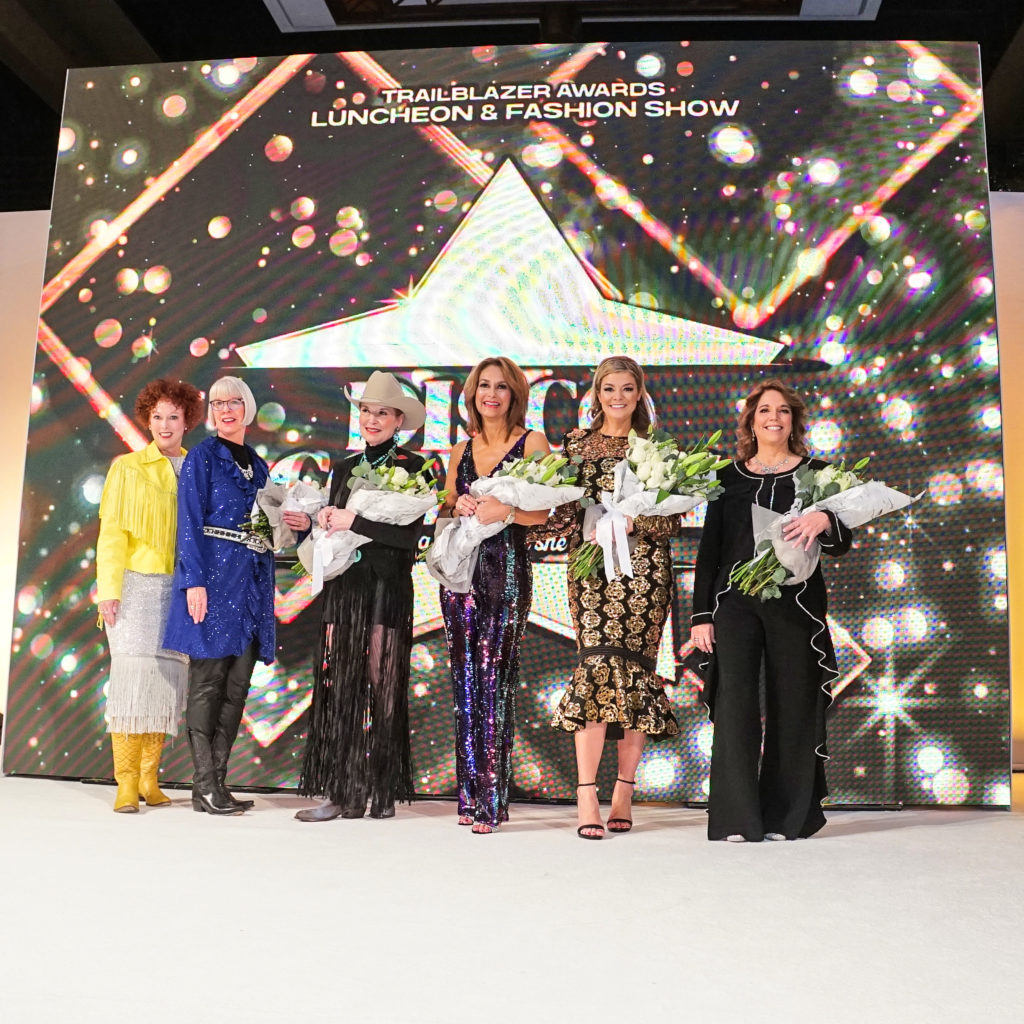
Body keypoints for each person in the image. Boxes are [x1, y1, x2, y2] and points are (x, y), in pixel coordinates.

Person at [690, 378, 852, 842]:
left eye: (782, 411)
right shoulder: (728, 477)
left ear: (794, 420)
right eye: (765, 410)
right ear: (751, 420)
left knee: (795, 704)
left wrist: (827, 518)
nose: (774, 418)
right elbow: (711, 551)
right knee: (736, 705)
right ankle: (738, 819)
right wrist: (702, 615)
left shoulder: (817, 475)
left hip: (795, 606)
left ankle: (787, 816)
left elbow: (841, 544)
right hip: (735, 606)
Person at [283, 372, 429, 822]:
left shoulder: (413, 467)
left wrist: (355, 523)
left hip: (387, 587)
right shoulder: (344, 467)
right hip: (346, 590)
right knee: (340, 685)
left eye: (381, 412)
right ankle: (341, 790)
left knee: (383, 687)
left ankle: (381, 790)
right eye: (366, 410)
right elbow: (335, 533)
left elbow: (408, 538)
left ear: (398, 419)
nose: (371, 419)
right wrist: (312, 525)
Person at [546, 356, 680, 839]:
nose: (618, 397)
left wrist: (634, 520)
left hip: (644, 572)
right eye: (609, 389)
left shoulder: (657, 446)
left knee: (635, 675)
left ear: (639, 393)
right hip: (590, 569)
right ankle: (586, 795)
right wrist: (534, 504)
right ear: (596, 393)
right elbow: (566, 511)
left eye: (627, 389)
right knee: (596, 669)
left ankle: (623, 791)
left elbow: (671, 518)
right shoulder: (576, 443)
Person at [439, 357, 551, 834]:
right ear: (471, 395)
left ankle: (492, 800)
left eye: (501, 387)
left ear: (515, 394)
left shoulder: (533, 443)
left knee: (494, 679)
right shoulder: (459, 448)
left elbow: (543, 515)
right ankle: (468, 797)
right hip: (460, 577)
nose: (491, 394)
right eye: (483, 386)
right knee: (464, 684)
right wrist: (458, 502)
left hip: (504, 572)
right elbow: (446, 504)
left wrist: (507, 509)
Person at [163, 376, 276, 815]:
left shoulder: (260, 465)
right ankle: (204, 784)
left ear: (248, 407)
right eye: (217, 402)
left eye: (234, 401)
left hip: (250, 585)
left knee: (237, 685)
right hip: (212, 581)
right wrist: (193, 581)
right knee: (207, 684)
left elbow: (266, 524)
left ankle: (216, 785)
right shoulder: (203, 458)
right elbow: (188, 521)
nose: (226, 408)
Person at [96, 379, 204, 812]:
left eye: (173, 417)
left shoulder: (196, 468)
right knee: (130, 685)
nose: (164, 424)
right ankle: (124, 782)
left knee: (163, 685)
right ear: (147, 419)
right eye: (157, 416)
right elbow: (111, 535)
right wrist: (109, 589)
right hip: (135, 586)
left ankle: (148, 779)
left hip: (177, 590)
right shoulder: (127, 467)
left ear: (187, 422)